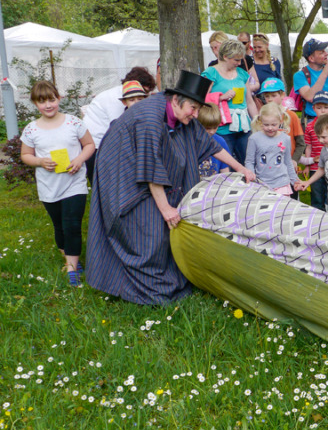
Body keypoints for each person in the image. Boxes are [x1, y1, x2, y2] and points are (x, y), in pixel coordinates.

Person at [86, 70, 256, 305]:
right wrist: (165, 207)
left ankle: (170, 277)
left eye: (198, 109)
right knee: (147, 225)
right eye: (193, 109)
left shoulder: (182, 113)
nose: (195, 115)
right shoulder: (148, 120)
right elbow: (150, 165)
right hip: (121, 171)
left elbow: (209, 144)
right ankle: (149, 289)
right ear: (176, 100)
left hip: (145, 167)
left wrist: (241, 168)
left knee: (166, 223)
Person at [20, 81, 95, 287]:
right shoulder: (31, 129)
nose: (48, 105)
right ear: (35, 104)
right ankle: (69, 257)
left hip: (74, 183)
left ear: (59, 98)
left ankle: (72, 269)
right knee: (59, 226)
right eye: (42, 102)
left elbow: (89, 145)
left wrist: (79, 160)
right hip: (48, 186)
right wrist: (40, 161)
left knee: (72, 225)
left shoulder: (73, 123)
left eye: (51, 99)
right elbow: (25, 155)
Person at [82, 67, 156, 182]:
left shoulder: (124, 96)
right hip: (97, 146)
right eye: (145, 91)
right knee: (102, 183)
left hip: (106, 145)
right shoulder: (114, 99)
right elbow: (120, 130)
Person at [202, 40, 259, 164]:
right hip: (222, 129)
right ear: (225, 56)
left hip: (244, 128)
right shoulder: (211, 73)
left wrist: (257, 123)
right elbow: (200, 99)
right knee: (226, 166)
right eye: (236, 60)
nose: (239, 63)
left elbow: (249, 102)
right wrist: (220, 97)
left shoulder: (242, 74)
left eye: (240, 60)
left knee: (248, 163)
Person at [245, 102, 301, 196]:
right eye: (266, 125)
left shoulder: (285, 138)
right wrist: (251, 178)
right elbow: (249, 161)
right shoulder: (254, 139)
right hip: (262, 183)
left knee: (282, 209)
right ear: (260, 122)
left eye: (274, 125)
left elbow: (288, 162)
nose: (270, 128)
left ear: (280, 121)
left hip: (282, 182)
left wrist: (294, 180)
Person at [293, 38, 328, 123]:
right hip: (314, 121)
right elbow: (310, 97)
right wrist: (324, 74)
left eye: (325, 51)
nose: (326, 54)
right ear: (311, 58)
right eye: (321, 52)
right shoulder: (300, 75)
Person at [255, 79, 305, 166]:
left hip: (287, 163)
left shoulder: (292, 116)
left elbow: (301, 143)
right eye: (267, 96)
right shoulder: (262, 116)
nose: (270, 99)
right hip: (268, 164)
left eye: (274, 95)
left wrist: (294, 160)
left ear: (282, 95)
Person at [197, 103, 231, 177]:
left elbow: (225, 171)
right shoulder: (192, 141)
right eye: (208, 128)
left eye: (215, 127)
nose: (212, 131)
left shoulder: (220, 141)